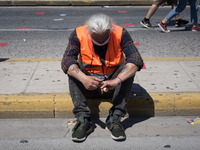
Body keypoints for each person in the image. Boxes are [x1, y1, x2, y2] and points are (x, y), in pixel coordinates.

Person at [61, 13, 143, 142]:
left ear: (111, 30)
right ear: (88, 31)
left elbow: (136, 59)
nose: (100, 43)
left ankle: (114, 117)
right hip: (88, 84)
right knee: (73, 69)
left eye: (104, 39)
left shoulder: (121, 33)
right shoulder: (78, 33)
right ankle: (83, 119)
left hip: (112, 84)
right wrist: (84, 79)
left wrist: (117, 80)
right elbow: (66, 60)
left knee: (128, 69)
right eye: (96, 40)